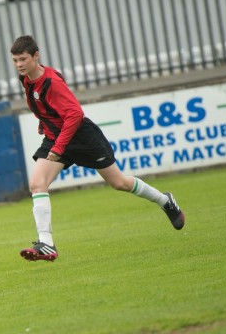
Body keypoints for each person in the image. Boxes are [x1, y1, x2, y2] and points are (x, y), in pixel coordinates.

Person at [11, 35, 185, 262]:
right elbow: (46, 106)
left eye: (23, 59)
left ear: (36, 55)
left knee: (119, 183)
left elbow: (75, 114)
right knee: (37, 184)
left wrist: (60, 145)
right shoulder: (26, 79)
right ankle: (47, 243)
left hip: (82, 137)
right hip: (56, 138)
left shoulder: (51, 82)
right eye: (15, 60)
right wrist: (44, 123)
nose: (19, 65)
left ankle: (165, 201)